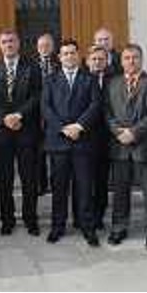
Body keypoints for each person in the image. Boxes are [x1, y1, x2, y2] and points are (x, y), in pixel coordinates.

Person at [104, 43, 147, 251]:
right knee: (120, 191)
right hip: (120, 146)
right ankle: (119, 228)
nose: (131, 61)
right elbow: (107, 112)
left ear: (141, 59)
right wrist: (118, 131)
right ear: (121, 61)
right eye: (127, 58)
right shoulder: (112, 83)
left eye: (135, 57)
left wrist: (134, 132)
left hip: (145, 146)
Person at [42, 39, 101, 246]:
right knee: (59, 188)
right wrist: (63, 128)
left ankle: (87, 227)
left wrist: (79, 126)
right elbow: (46, 107)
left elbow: (95, 105)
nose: (69, 56)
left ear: (78, 55)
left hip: (83, 141)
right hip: (58, 142)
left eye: (72, 53)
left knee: (84, 187)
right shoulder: (50, 80)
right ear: (59, 57)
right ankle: (57, 227)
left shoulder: (90, 79)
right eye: (65, 53)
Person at [0, 29, 42, 236]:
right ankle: (7, 220)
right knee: (4, 179)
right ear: (0, 45)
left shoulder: (32, 66)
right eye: (4, 41)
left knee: (29, 179)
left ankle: (30, 219)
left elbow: (37, 95)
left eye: (11, 41)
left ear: (18, 43)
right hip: (2, 133)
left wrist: (18, 115)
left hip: (26, 131)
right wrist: (4, 118)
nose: (8, 44)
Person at [85, 44, 113, 230]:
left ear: (107, 61)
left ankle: (99, 216)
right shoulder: (81, 78)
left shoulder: (114, 80)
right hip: (84, 138)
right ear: (88, 61)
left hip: (107, 139)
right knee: (85, 180)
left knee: (102, 181)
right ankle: (84, 216)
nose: (97, 62)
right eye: (94, 59)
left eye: (101, 59)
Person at [34, 33, 60, 196]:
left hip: (57, 112)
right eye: (41, 46)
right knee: (38, 152)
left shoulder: (60, 63)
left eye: (47, 45)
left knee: (57, 151)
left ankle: (57, 184)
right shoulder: (31, 65)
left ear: (53, 47)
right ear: (37, 48)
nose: (44, 48)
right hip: (37, 114)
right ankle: (40, 184)